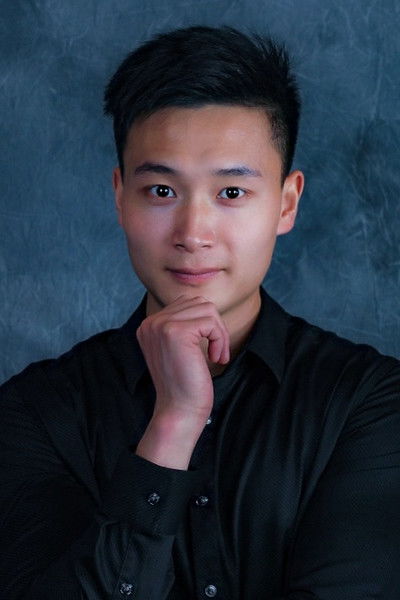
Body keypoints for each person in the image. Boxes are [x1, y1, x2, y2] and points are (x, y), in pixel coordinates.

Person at [0, 24, 399, 600]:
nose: (193, 233)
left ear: (286, 204)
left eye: (231, 193)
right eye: (161, 191)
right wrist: (173, 423)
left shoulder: (366, 401)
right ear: (120, 196)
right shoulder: (35, 412)